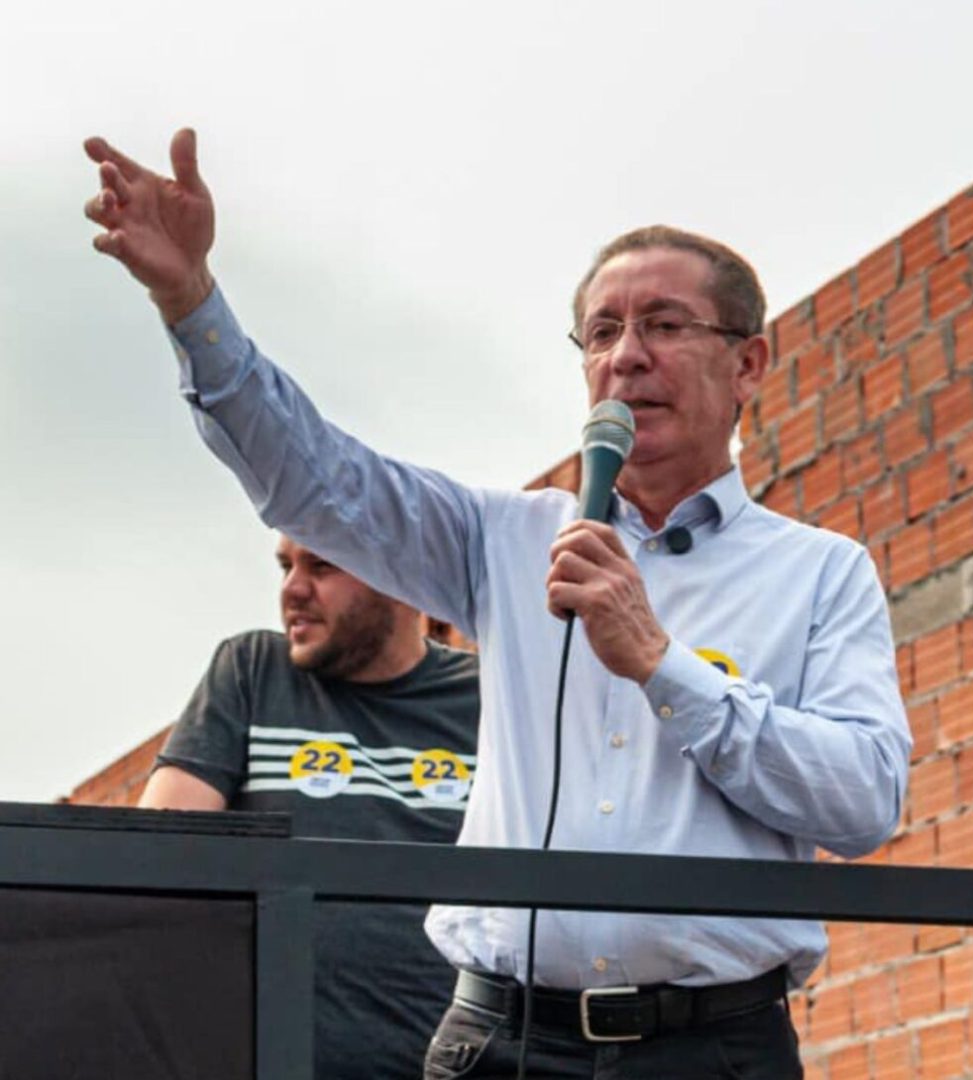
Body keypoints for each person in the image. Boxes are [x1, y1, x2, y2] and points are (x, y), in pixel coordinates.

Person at [86, 129, 910, 1079]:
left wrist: (661, 665)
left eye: (664, 325)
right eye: (601, 333)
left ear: (750, 364)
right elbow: (315, 477)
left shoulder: (821, 573)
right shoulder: (505, 538)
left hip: (713, 1049)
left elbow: (863, 802)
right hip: (504, 1041)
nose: (626, 357)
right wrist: (190, 300)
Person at [140, 534, 481, 1080]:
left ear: (403, 576)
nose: (292, 590)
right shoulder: (252, 672)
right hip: (272, 1062)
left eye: (321, 566)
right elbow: (150, 865)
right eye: (286, 566)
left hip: (450, 1066)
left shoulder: (488, 702)